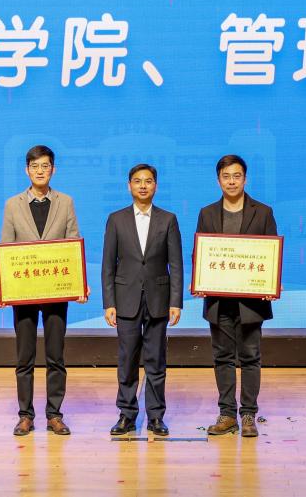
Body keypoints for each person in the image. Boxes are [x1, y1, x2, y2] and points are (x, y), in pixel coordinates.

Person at [0, 145, 87, 436]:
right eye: (34, 166)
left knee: (55, 356)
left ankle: (54, 415)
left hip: (56, 290)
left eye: (45, 166)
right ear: (27, 170)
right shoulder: (12, 205)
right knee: (24, 357)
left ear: (53, 170)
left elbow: (72, 243)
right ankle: (25, 415)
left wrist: (78, 283)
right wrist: (2, 286)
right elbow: (7, 248)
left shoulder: (66, 202)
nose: (40, 171)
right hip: (23, 292)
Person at [194, 154, 278, 438]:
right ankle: (227, 414)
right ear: (218, 180)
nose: (231, 181)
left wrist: (269, 283)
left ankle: (249, 414)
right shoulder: (207, 213)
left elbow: (270, 254)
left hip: (251, 302)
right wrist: (200, 280)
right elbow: (200, 254)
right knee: (222, 358)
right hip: (219, 301)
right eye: (226, 176)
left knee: (251, 357)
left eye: (237, 176)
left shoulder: (263, 212)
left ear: (245, 179)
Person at [102, 164, 183, 436]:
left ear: (155, 186)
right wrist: (109, 302)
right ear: (129, 186)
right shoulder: (116, 219)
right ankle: (126, 415)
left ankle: (156, 416)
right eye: (137, 181)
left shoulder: (168, 219)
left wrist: (176, 301)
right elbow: (108, 265)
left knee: (156, 361)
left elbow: (176, 264)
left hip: (159, 299)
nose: (143, 186)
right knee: (127, 360)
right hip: (125, 299)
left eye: (148, 181)